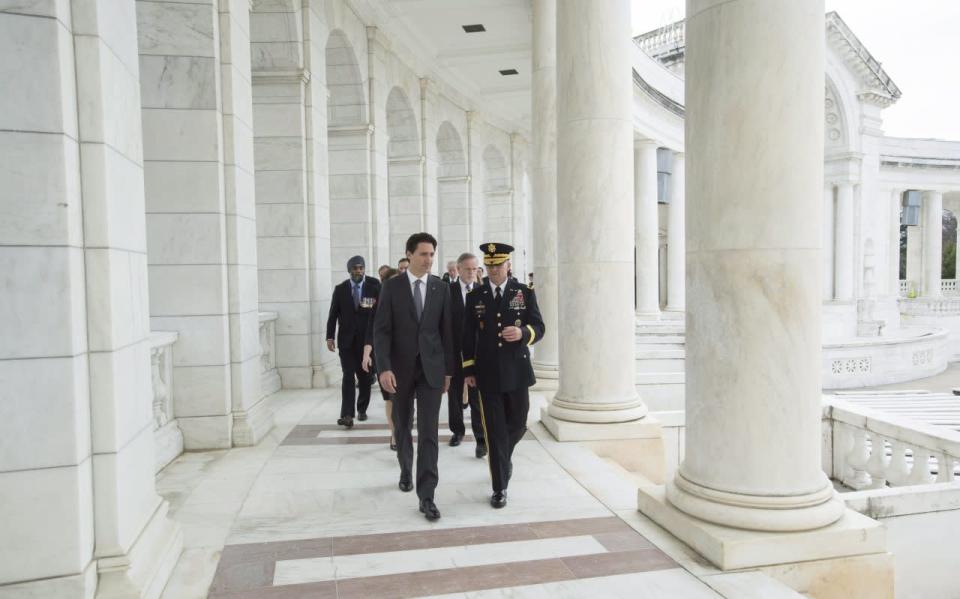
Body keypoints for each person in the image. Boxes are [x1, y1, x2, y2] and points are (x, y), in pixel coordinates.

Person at [374, 232, 454, 521]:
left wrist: (448, 371)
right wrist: (383, 367)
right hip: (400, 369)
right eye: (423, 254)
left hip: (431, 369)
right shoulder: (391, 288)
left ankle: (427, 494)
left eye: (432, 254)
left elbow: (447, 332)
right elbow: (381, 330)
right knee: (403, 423)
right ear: (409, 255)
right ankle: (405, 468)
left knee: (430, 432)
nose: (429, 259)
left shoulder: (440, 288)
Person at [462, 242, 545, 509]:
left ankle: (503, 455)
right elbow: (467, 335)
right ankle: (500, 488)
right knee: (495, 431)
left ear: (509, 265)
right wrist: (468, 369)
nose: (494, 270)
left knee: (519, 422)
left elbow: (539, 326)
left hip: (517, 371)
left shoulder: (523, 292)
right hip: (487, 373)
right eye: (490, 266)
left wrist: (523, 334)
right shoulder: (476, 296)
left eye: (498, 265)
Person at [326, 256, 381, 428]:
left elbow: (379, 314)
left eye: (361, 268)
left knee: (365, 377)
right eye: (355, 268)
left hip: (367, 342)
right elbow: (333, 314)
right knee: (348, 376)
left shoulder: (374, 286)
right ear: (349, 270)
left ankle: (361, 409)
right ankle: (347, 414)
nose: (358, 271)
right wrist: (330, 336)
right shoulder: (340, 289)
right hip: (346, 342)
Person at [447, 253, 487, 457]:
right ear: (459, 269)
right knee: (454, 395)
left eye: (475, 269)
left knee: (476, 397)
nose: (472, 272)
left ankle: (481, 439)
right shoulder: (448, 291)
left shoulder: (483, 291)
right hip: (454, 353)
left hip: (477, 354)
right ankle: (457, 431)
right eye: (468, 269)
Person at [362, 267, 399, 451]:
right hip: (384, 357)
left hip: (405, 358)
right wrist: (366, 354)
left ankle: (403, 429)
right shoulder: (377, 304)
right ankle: (394, 434)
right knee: (391, 399)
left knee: (405, 399)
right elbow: (371, 331)